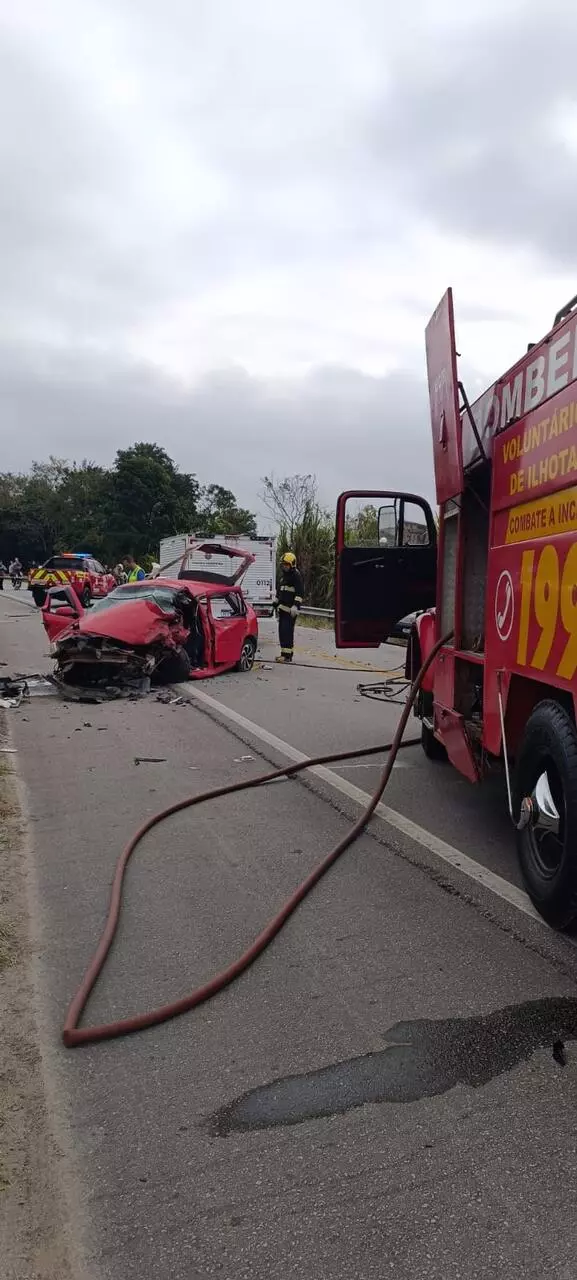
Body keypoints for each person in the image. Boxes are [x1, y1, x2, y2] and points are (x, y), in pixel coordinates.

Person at [272, 551, 304, 663]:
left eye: (286, 564)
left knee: (287, 632)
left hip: (291, 611)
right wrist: (275, 602)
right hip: (283, 610)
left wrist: (295, 606)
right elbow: (280, 591)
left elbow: (299, 593)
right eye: (283, 564)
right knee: (282, 632)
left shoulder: (296, 576)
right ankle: (284, 654)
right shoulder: (283, 577)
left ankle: (287, 656)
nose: (284, 566)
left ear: (292, 564)